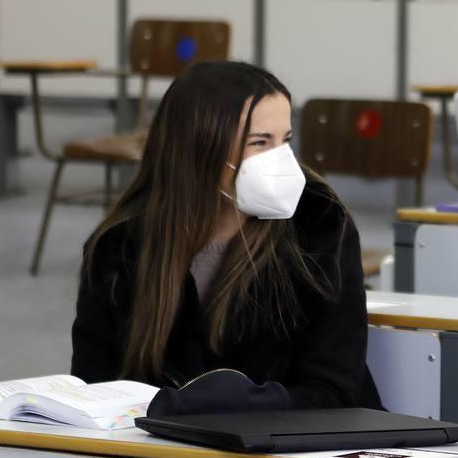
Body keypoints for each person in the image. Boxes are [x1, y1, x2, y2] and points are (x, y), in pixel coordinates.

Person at [71, 61, 381, 409]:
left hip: (295, 451)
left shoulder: (319, 225)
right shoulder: (119, 247)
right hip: (165, 453)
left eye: (285, 141)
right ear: (199, 149)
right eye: (260, 142)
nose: (280, 160)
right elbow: (94, 387)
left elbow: (333, 391)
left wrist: (200, 410)